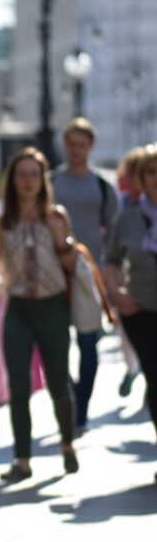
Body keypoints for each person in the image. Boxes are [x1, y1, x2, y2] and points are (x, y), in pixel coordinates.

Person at [0, 147, 79, 481]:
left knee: (58, 382)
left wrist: (59, 238)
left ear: (42, 180)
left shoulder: (56, 216)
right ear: (12, 180)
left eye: (34, 175)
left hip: (52, 307)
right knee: (18, 386)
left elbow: (71, 266)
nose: (27, 181)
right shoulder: (1, 223)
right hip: (19, 309)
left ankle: (67, 443)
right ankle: (22, 459)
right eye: (21, 175)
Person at [51, 117, 119, 434]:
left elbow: (115, 233)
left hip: (88, 273)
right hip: (54, 273)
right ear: (66, 145)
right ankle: (73, 400)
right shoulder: (50, 183)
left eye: (82, 145)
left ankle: (81, 410)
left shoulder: (102, 186)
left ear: (90, 147)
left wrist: (110, 273)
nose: (76, 150)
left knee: (89, 344)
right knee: (57, 346)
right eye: (71, 144)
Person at [103, 147, 157, 479]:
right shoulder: (128, 217)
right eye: (150, 172)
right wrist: (117, 293)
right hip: (140, 310)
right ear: (140, 178)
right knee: (156, 377)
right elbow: (109, 261)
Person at [114, 146, 145, 396]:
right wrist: (116, 288)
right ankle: (134, 368)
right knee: (126, 334)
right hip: (131, 286)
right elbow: (112, 254)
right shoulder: (122, 206)